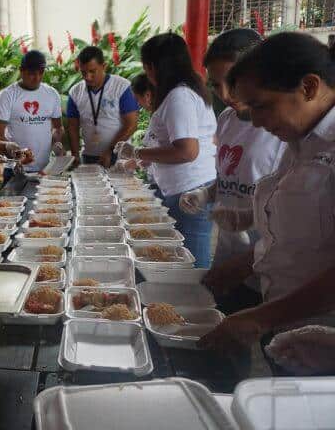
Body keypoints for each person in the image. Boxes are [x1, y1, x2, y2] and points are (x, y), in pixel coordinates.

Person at [197, 32, 335, 354]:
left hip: (322, 338)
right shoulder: (299, 141)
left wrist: (261, 318)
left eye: (261, 106)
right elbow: (299, 236)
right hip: (288, 325)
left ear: (309, 87)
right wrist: (247, 264)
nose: (255, 121)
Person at [179, 29, 286, 314]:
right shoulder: (227, 119)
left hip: (268, 263)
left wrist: (249, 256)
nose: (225, 95)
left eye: (233, 82)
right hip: (229, 255)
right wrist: (206, 193)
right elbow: (231, 175)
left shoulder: (283, 128)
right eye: (215, 85)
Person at [115, 33, 217, 268]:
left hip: (190, 191)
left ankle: (198, 301)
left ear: (152, 67)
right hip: (182, 188)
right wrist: (142, 159)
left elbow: (186, 151)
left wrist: (137, 153)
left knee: (191, 263)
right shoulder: (183, 91)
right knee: (182, 256)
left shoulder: (179, 96)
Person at [67, 46, 139, 167]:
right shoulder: (75, 92)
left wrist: (110, 150)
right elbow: (72, 127)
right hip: (89, 157)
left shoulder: (122, 87)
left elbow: (131, 125)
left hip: (120, 156)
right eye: (83, 72)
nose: (87, 77)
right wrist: (75, 155)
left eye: (92, 71)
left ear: (104, 66)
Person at [0, 50, 63, 172]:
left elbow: (58, 127)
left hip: (45, 169)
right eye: (31, 73)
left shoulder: (52, 94)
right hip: (15, 169)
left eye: (41, 72)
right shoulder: (7, 95)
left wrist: (57, 143)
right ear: (21, 70)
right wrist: (17, 154)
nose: (37, 78)